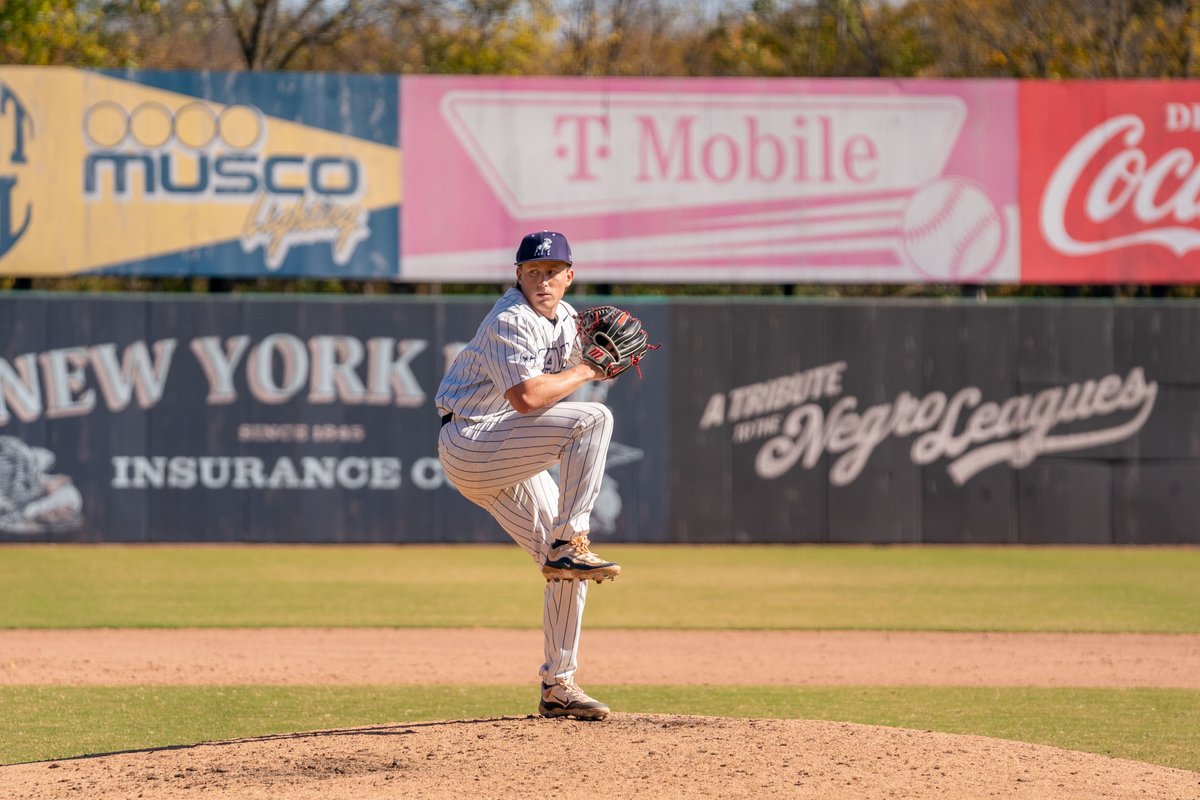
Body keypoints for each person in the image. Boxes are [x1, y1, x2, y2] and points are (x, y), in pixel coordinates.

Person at [435, 230, 619, 721]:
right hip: (472, 439)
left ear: (569, 276)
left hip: (506, 444)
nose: (543, 279)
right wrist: (588, 371)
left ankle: (558, 687)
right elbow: (528, 400)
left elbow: (575, 371)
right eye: (533, 271)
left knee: (565, 571)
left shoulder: (568, 320)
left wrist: (596, 365)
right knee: (594, 419)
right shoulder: (511, 319)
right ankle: (571, 538)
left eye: (552, 271)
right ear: (518, 275)